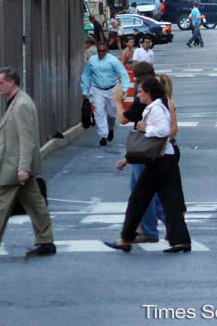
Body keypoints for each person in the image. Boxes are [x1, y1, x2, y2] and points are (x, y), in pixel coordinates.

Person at [0, 67, 56, 257]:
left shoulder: (21, 105)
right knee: (36, 205)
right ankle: (46, 241)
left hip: (15, 166)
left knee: (1, 203)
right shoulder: (17, 102)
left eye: (0, 82)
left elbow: (27, 139)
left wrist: (23, 168)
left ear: (12, 82)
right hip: (16, 165)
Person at [105, 76, 192, 254]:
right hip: (167, 157)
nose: (138, 95)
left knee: (138, 197)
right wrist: (128, 158)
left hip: (160, 160)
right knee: (170, 200)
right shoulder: (159, 105)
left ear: (149, 93)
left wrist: (145, 128)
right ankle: (180, 240)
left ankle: (126, 238)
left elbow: (163, 131)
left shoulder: (156, 108)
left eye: (140, 92)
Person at [113, 61, 164, 243]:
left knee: (142, 192)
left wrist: (117, 101)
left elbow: (123, 119)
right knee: (144, 190)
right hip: (146, 149)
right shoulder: (156, 96)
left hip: (146, 149)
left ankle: (149, 229)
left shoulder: (147, 101)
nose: (136, 90)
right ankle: (168, 222)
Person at [81, 40, 131, 146]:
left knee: (111, 113)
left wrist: (124, 88)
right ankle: (103, 135)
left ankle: (110, 128)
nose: (101, 53)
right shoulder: (92, 61)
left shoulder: (113, 61)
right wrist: (85, 90)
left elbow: (123, 74)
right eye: (99, 51)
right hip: (97, 89)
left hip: (112, 89)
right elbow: (86, 75)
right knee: (99, 112)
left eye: (103, 51)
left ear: (106, 50)